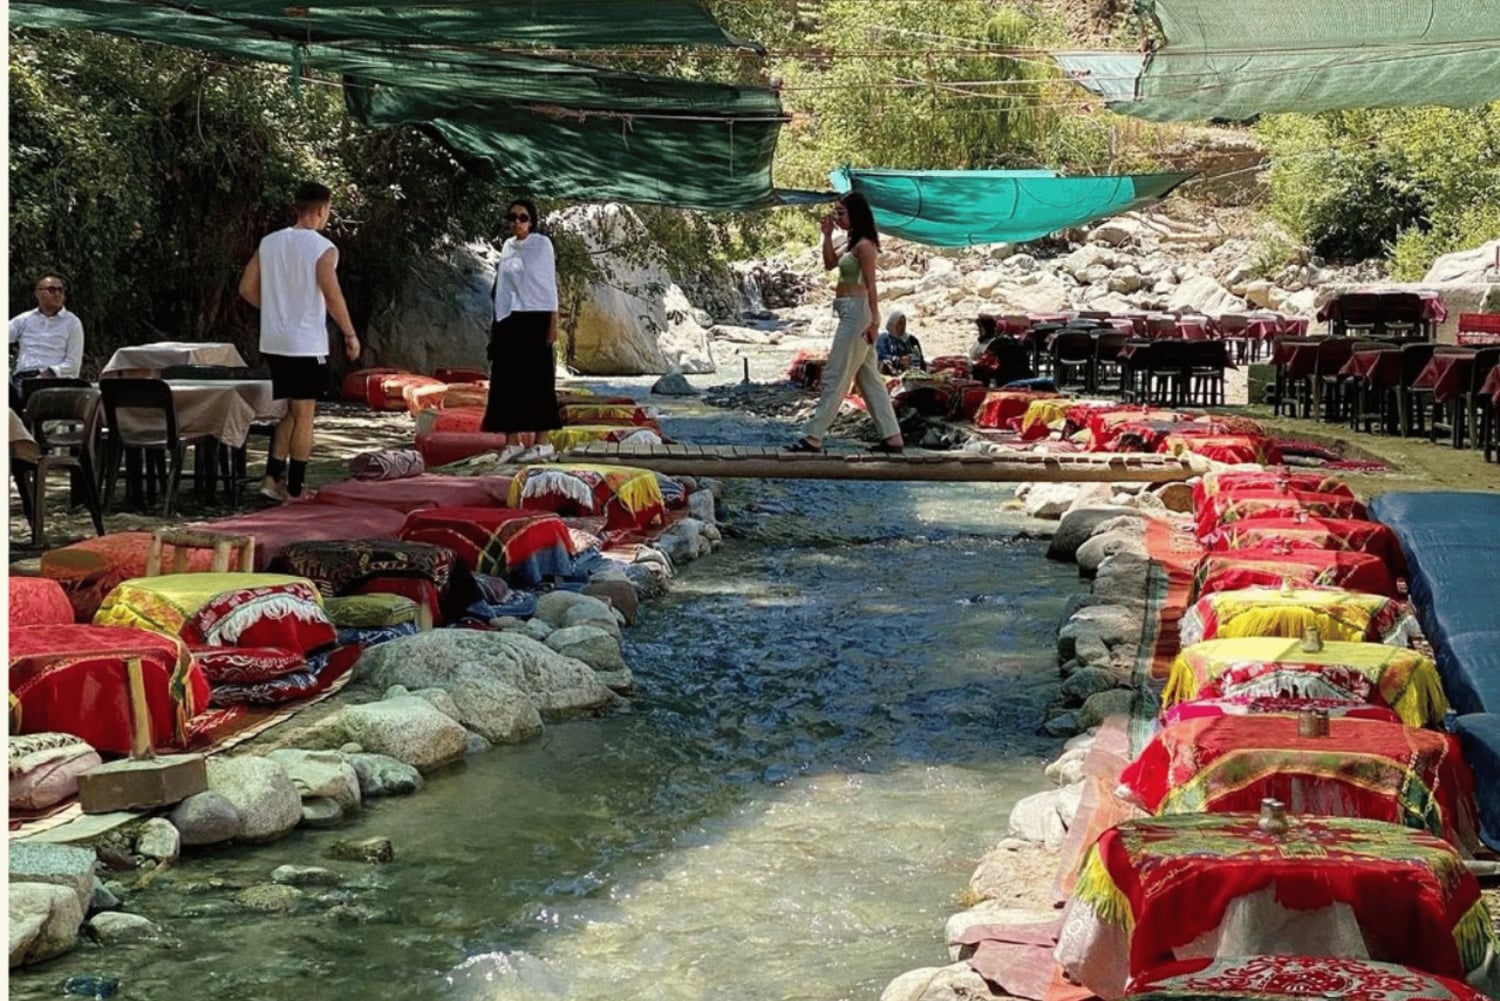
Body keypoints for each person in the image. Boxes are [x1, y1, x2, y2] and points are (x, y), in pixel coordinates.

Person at [238, 181, 360, 501]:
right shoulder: (323, 249)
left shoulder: (269, 242)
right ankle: (295, 488)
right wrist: (349, 333)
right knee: (306, 413)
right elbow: (332, 296)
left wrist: (277, 309)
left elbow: (247, 289)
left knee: (290, 411)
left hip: (275, 340)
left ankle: (271, 479)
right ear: (322, 210)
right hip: (305, 343)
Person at [787, 191, 904, 454]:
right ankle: (892, 437)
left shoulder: (865, 245)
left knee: (835, 374)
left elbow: (872, 285)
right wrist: (827, 234)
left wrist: (874, 319)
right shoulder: (850, 243)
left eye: (842, 213)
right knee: (869, 378)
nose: (837, 217)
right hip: (847, 311)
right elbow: (829, 263)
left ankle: (813, 437)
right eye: (836, 213)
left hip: (858, 313)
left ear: (856, 214)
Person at [482, 198, 561, 448]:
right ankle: (512, 442)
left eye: (523, 217)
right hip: (509, 317)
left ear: (532, 221)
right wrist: (498, 322)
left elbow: (548, 286)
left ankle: (542, 442)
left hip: (536, 317)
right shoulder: (507, 246)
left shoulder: (542, 245)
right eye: (513, 217)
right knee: (505, 380)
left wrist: (553, 322)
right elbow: (504, 288)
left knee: (539, 380)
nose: (517, 222)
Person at [9, 273, 85, 410]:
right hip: (23, 378)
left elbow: (73, 364)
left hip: (54, 379)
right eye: (51, 290)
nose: (57, 294)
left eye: (60, 290)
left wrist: (49, 373)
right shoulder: (25, 319)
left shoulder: (72, 323)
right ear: (37, 294)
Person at [875, 308, 926, 374]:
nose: (903, 326)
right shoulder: (884, 338)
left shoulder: (911, 340)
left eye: (904, 323)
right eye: (900, 323)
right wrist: (899, 360)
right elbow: (880, 355)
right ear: (893, 323)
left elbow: (920, 359)